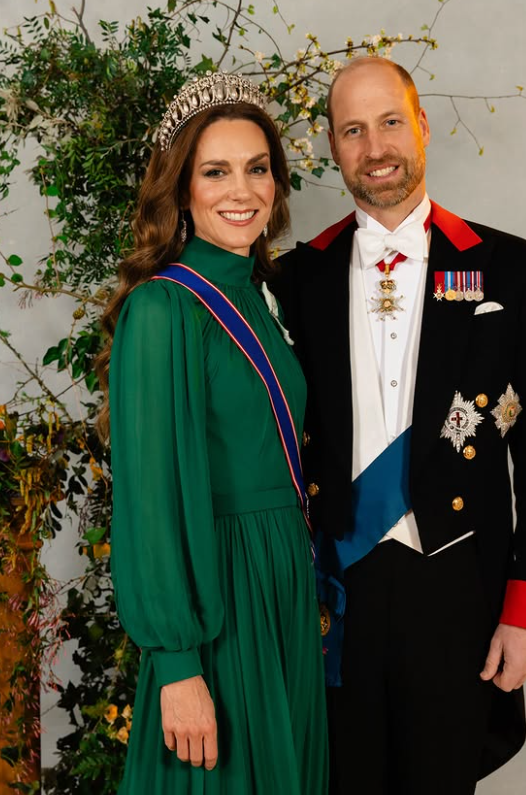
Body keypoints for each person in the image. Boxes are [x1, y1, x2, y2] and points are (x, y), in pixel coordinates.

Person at [272, 57, 526, 795]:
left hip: (458, 590)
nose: (375, 148)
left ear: (423, 127)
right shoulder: (291, 279)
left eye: (390, 122)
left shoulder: (510, 271)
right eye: (352, 130)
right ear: (332, 148)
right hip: (333, 595)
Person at [96, 73, 328, 795]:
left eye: (257, 168)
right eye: (216, 170)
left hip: (281, 584)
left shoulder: (260, 293)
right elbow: (152, 499)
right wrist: (177, 662)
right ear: (182, 187)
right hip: (220, 594)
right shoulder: (165, 307)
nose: (243, 190)